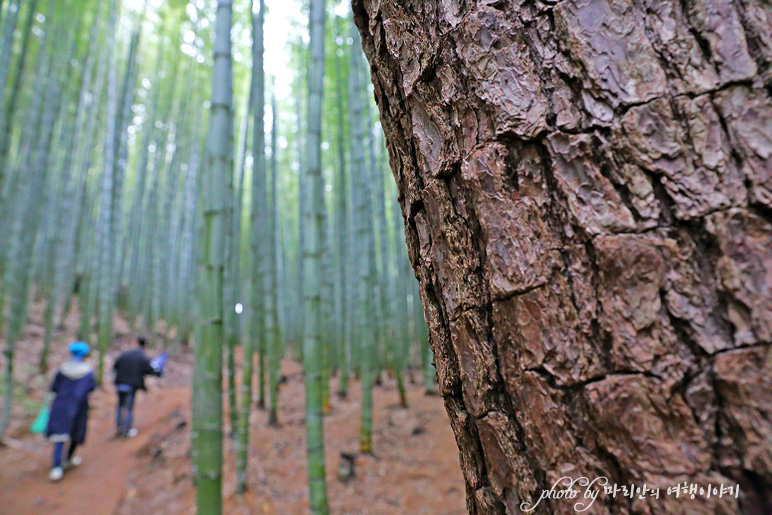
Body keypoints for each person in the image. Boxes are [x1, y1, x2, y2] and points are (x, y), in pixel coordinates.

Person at [46, 342, 96, 482]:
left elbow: (54, 387)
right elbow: (91, 387)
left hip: (61, 405)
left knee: (59, 435)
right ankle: (67, 460)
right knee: (76, 432)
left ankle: (57, 466)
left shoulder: (62, 369)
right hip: (79, 406)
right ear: (85, 355)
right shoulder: (88, 371)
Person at [113, 335, 161, 438]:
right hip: (131, 386)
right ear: (145, 345)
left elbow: (115, 366)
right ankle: (126, 430)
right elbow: (150, 370)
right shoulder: (143, 357)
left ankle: (119, 427)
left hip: (120, 384)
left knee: (120, 406)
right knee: (129, 408)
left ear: (136, 342)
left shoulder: (125, 354)